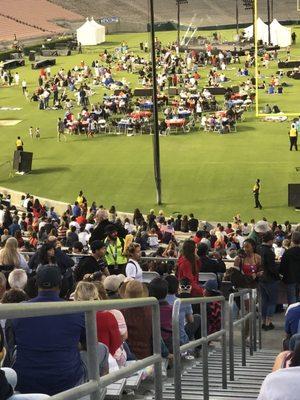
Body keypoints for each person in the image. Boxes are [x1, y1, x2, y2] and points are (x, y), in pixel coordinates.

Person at [7, 265, 109, 395]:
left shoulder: (17, 311)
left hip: (26, 382)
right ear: (61, 285)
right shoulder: (77, 311)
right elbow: (90, 345)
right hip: (67, 382)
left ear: (36, 284)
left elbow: (10, 348)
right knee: (102, 348)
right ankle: (97, 391)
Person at [258, 231, 280, 330]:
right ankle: (268, 322)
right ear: (270, 240)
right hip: (270, 279)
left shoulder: (258, 249)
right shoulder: (269, 252)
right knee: (272, 301)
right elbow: (272, 268)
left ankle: (263, 322)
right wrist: (279, 275)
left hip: (261, 278)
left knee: (264, 300)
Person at [280, 231, 300, 305]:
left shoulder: (287, 253)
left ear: (292, 240)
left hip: (290, 279)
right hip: (295, 278)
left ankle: (294, 314)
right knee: (297, 298)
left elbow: (282, 267)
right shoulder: (287, 252)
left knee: (292, 299)